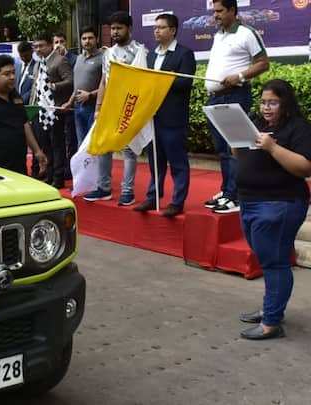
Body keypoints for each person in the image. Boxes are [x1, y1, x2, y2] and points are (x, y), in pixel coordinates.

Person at [236, 79, 311, 340]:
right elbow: (243, 158)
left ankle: (271, 323)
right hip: (249, 201)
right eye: (263, 101)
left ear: (285, 103)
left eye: (273, 102)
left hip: (280, 203)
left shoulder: (298, 128)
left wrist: (272, 147)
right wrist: (235, 140)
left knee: (276, 263)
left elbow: (305, 167)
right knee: (267, 260)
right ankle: (271, 308)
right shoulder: (258, 124)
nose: (266, 107)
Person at [204, 0, 270, 214]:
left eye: (220, 11)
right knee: (222, 150)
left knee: (235, 148)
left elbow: (263, 63)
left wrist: (240, 76)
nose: (216, 15)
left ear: (232, 10)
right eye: (214, 11)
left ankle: (237, 196)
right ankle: (227, 191)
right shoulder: (219, 34)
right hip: (215, 98)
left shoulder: (246, 33)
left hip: (234, 96)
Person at [132, 14, 196, 217]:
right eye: (155, 27)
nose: (156, 31)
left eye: (161, 27)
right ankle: (153, 197)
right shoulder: (151, 56)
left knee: (177, 163)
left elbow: (184, 83)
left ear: (173, 30)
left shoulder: (184, 54)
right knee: (155, 161)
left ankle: (177, 201)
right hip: (153, 117)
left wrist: (159, 80)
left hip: (173, 118)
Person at [83, 11, 143, 206]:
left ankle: (128, 192)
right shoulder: (107, 53)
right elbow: (103, 82)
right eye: (112, 29)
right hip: (108, 106)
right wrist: (98, 107)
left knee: (128, 150)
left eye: (119, 28)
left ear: (129, 29)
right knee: (104, 147)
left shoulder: (139, 51)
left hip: (128, 105)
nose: (115, 32)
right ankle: (104, 188)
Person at [29, 33, 74, 188]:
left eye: (41, 46)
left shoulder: (60, 60)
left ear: (50, 45)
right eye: (36, 46)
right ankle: (49, 175)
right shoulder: (37, 64)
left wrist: (53, 86)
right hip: (41, 110)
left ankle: (58, 177)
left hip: (55, 110)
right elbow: (35, 87)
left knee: (57, 145)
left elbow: (70, 81)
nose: (38, 49)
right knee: (45, 145)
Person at [61, 25, 102, 146]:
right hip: (77, 106)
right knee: (81, 144)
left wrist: (90, 95)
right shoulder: (79, 58)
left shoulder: (103, 58)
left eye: (90, 38)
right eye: (84, 38)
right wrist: (69, 102)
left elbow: (108, 85)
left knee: (92, 144)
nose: (87, 41)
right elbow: (76, 85)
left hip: (94, 107)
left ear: (97, 39)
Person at [53, 32, 78, 182]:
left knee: (71, 139)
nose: (59, 44)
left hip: (71, 105)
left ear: (66, 43)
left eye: (61, 41)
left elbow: (75, 81)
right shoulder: (51, 60)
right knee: (58, 140)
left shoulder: (74, 59)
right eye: (56, 41)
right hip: (56, 106)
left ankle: (70, 169)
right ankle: (60, 167)